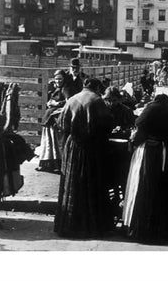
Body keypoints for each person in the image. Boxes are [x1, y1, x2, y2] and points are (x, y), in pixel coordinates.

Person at [122, 94, 168, 244]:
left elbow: (139, 125)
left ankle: (143, 227)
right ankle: (166, 228)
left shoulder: (148, 110)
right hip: (167, 156)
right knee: (165, 190)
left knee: (145, 186)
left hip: (149, 155)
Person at [54, 78, 114, 238]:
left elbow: (61, 124)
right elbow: (108, 125)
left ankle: (70, 225)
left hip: (73, 146)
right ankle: (91, 226)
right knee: (91, 185)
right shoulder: (97, 100)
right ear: (96, 87)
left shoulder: (72, 99)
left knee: (72, 185)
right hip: (91, 148)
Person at [36, 70, 69, 173]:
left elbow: (68, 101)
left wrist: (56, 104)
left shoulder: (65, 89)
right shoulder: (56, 88)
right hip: (49, 118)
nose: (58, 81)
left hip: (56, 119)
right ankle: (46, 164)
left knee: (54, 143)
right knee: (47, 142)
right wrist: (50, 102)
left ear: (64, 79)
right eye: (56, 79)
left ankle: (56, 165)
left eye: (60, 79)